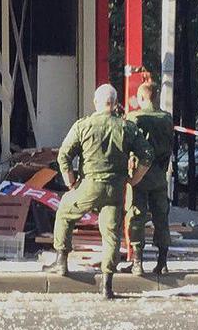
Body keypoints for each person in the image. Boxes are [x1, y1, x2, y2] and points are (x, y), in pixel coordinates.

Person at [43, 84, 153, 299]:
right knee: (111, 234)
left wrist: (70, 181)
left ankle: (61, 262)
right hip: (115, 189)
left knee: (65, 211)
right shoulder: (127, 127)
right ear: (116, 103)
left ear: (96, 102)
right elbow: (147, 154)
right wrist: (134, 179)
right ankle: (107, 285)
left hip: (89, 186)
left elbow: (64, 155)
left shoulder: (83, 125)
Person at [124, 81, 175, 275]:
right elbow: (170, 147)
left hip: (139, 175)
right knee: (161, 217)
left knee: (136, 216)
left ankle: (137, 262)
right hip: (159, 175)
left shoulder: (134, 117)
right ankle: (162, 263)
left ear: (141, 97)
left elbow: (128, 145)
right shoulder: (167, 118)